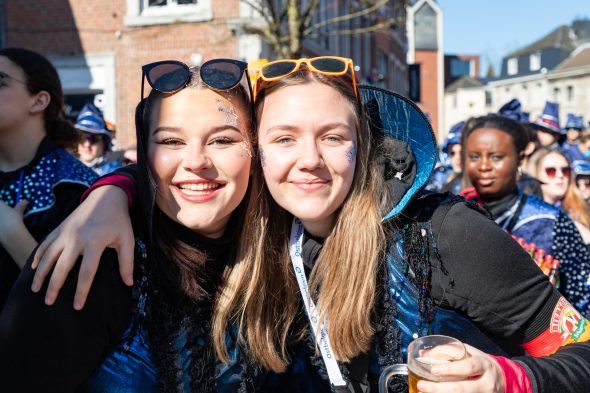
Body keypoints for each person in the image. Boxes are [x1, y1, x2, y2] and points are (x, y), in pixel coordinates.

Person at [28, 57, 590, 392]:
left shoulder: (442, 235)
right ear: (259, 153)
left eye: (333, 137)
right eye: (283, 138)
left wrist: (507, 379)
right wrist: (112, 191)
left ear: (362, 145)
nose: (309, 160)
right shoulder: (258, 242)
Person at [0, 58, 261, 391]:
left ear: (254, 151)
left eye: (222, 140)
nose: (197, 161)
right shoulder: (93, 258)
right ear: (144, 154)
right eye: (171, 141)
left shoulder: (279, 253)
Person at [461, 114, 590, 316]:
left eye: (496, 157)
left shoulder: (551, 220)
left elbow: (581, 299)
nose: (484, 166)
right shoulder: (455, 215)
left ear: (520, 159)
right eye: (474, 157)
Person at [0, 47, 97, 311]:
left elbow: (77, 302)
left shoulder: (75, 185)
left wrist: (11, 232)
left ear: (39, 101)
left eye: (1, 80)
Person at [529, 147, 590, 244]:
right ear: (535, 174)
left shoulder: (581, 211)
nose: (560, 175)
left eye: (565, 170)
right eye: (551, 171)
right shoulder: (526, 213)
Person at [75, 103, 123, 176]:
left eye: (94, 138)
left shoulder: (115, 172)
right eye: (82, 138)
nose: (87, 144)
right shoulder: (66, 168)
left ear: (103, 142)